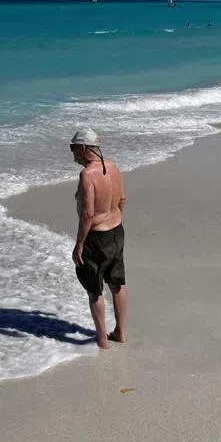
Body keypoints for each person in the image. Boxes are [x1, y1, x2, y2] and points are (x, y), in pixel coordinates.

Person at [69, 128, 127, 348]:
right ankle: (121, 332)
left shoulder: (87, 175)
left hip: (97, 237)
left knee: (94, 289)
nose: (72, 153)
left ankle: (102, 338)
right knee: (118, 283)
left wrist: (80, 244)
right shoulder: (113, 166)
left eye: (73, 148)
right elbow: (122, 199)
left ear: (84, 148)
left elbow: (88, 213)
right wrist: (114, 220)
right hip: (117, 231)